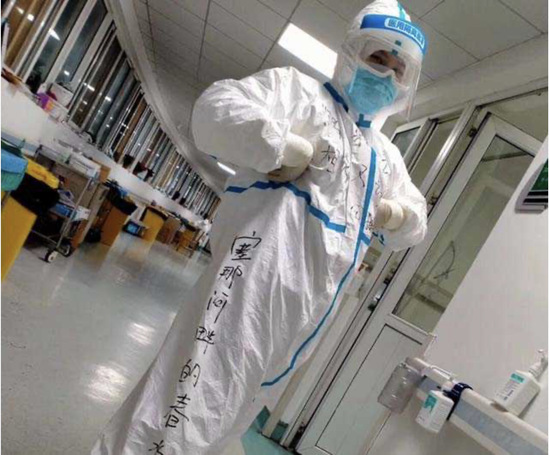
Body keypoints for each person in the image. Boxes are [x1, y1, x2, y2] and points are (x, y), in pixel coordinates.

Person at [91, 1, 428, 453]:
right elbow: (215, 109)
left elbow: (415, 222)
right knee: (187, 400)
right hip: (251, 288)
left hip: (306, 316)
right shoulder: (298, 93)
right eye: (377, 59)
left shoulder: (385, 156)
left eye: (397, 69)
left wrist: (394, 215)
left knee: (233, 413)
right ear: (353, 53)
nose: (385, 75)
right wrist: (280, 146)